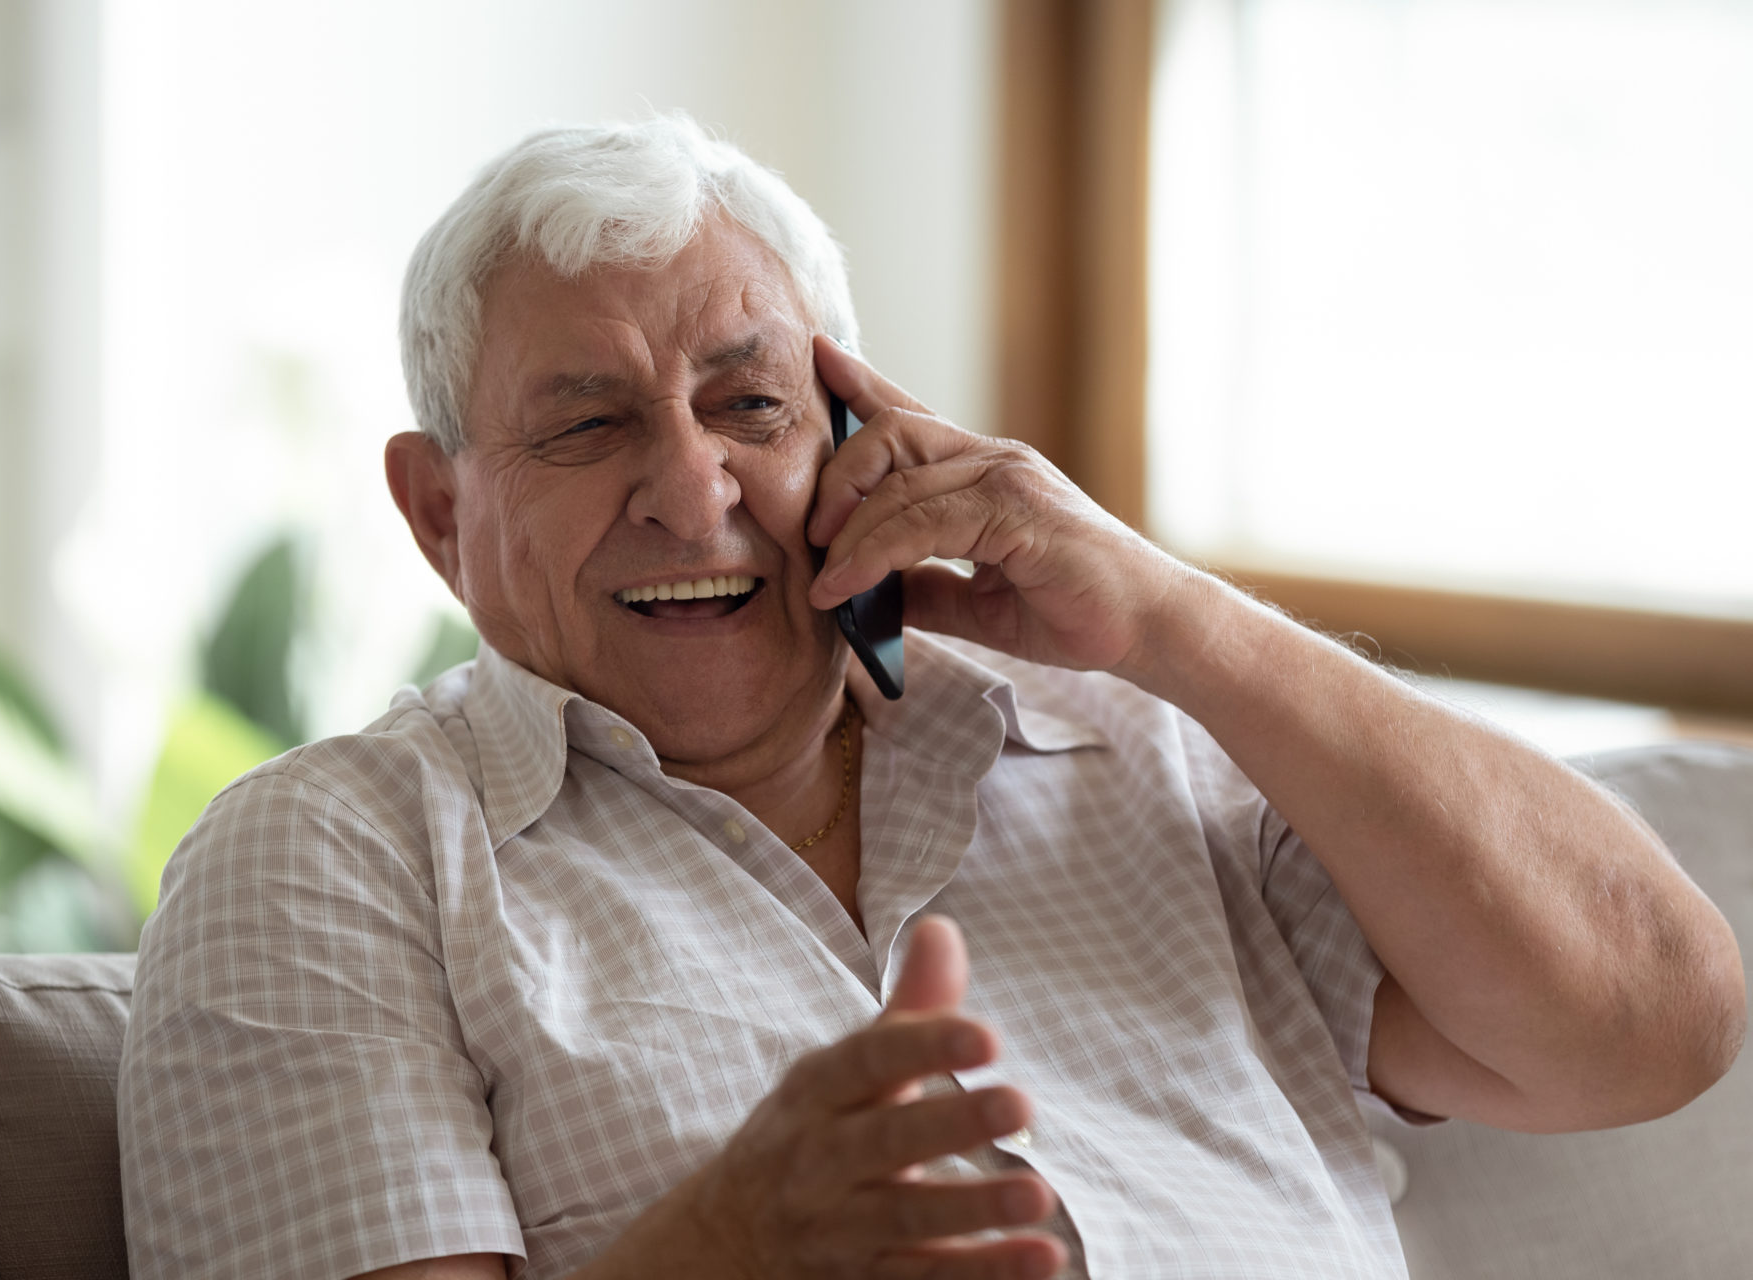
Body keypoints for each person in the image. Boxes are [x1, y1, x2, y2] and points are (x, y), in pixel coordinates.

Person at [117, 116, 1745, 1280]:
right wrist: (733, 1252)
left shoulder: (1139, 746)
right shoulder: (333, 860)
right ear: (439, 512)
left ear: (854, 431)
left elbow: (1654, 1027)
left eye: (751, 401)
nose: (697, 495)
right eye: (587, 425)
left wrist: (1175, 618)